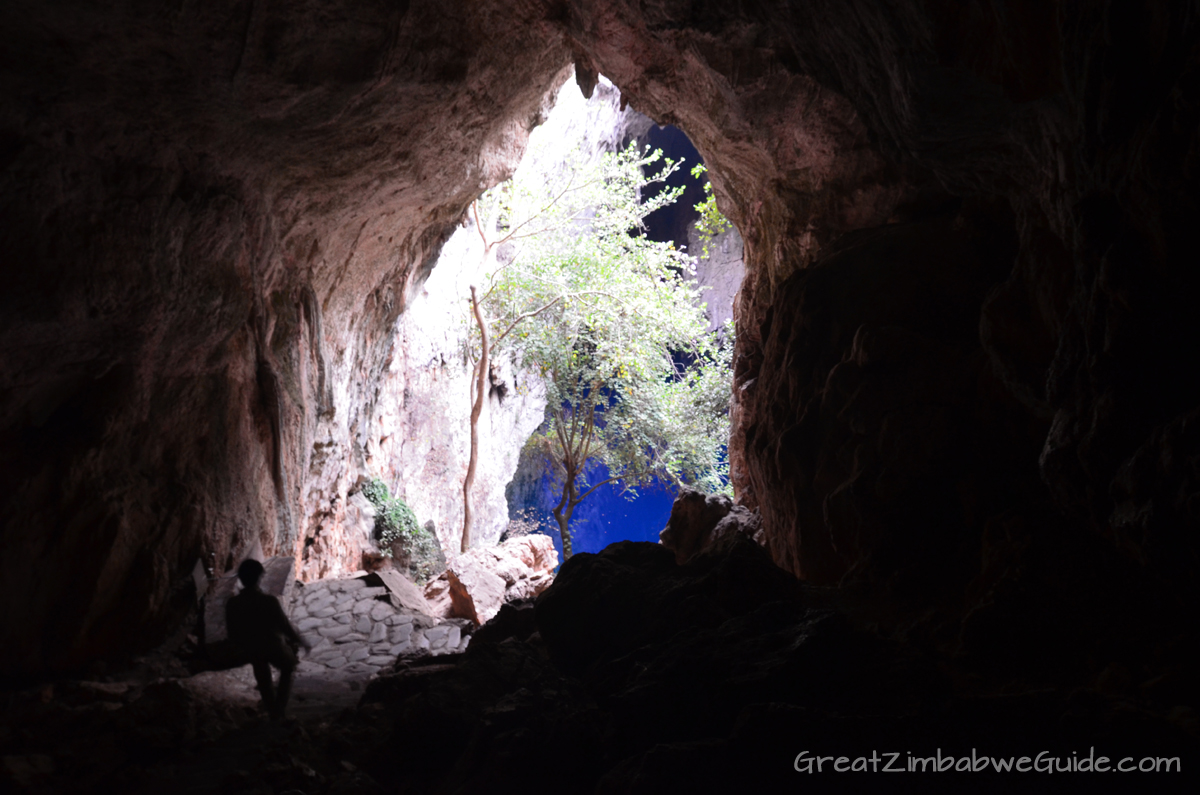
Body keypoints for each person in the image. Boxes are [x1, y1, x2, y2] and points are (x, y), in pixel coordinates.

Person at [225, 559, 309, 720]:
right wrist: (300, 641)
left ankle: (271, 708)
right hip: (272, 645)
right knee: (288, 667)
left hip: (250, 648)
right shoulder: (268, 602)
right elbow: (285, 626)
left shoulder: (233, 604)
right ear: (259, 577)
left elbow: (232, 633)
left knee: (262, 674)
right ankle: (280, 707)